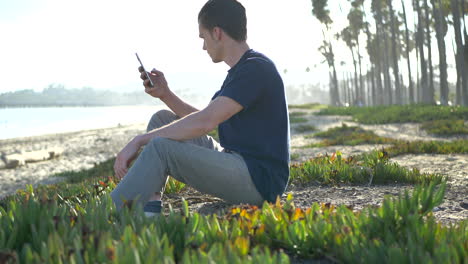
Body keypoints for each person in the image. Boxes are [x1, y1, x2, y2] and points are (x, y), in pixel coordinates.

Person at [111, 0, 290, 216]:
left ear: (216, 33)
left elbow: (205, 122)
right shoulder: (242, 70)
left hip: (259, 181)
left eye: (203, 37)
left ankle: (110, 213)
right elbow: (203, 117)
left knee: (160, 147)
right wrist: (165, 94)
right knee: (162, 119)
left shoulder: (256, 69)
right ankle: (150, 207)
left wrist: (139, 139)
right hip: (239, 163)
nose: (203, 46)